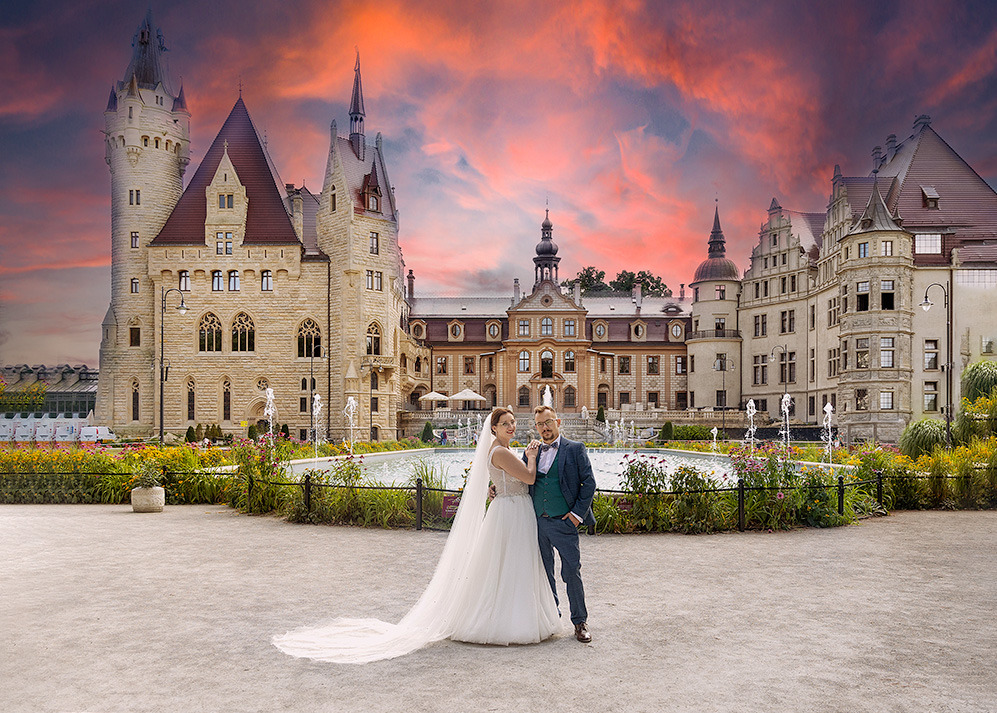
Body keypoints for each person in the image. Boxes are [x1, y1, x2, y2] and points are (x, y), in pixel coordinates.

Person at [272, 408, 560, 664]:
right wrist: (532, 457)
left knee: (510, 566)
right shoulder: (499, 451)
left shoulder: (501, 451)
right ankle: (508, 621)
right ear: (493, 429)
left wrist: (504, 479)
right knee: (510, 565)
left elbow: (510, 479)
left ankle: (512, 616)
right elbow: (530, 478)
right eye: (505, 423)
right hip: (511, 512)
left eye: (512, 422)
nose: (511, 426)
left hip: (512, 509)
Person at [528, 405, 597, 643]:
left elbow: (588, 483)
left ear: (558, 421)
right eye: (539, 424)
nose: (544, 428)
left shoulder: (575, 449)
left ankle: (579, 622)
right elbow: (519, 476)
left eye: (548, 422)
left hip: (564, 522)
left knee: (571, 573)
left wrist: (577, 515)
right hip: (537, 522)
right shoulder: (531, 451)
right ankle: (551, 618)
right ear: (535, 427)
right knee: (544, 573)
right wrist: (495, 487)